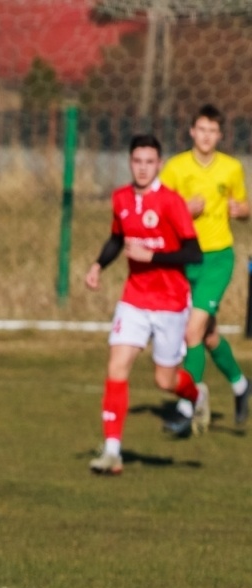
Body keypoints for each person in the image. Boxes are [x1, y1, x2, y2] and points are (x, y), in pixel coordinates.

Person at [86, 134, 204, 475]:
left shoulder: (171, 202)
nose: (142, 168)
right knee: (116, 366)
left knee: (165, 381)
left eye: (149, 162)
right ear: (130, 162)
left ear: (159, 164)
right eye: (137, 161)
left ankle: (196, 395)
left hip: (170, 301)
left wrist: (152, 256)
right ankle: (112, 452)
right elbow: (117, 238)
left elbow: (193, 253)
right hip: (134, 299)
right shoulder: (121, 198)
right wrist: (98, 265)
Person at [160, 103, 251, 430]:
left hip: (217, 259)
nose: (207, 136)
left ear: (220, 135)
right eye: (202, 129)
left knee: (192, 331)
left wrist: (242, 211)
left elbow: (244, 206)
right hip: (185, 259)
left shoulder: (231, 168)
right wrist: (183, 210)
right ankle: (241, 385)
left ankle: (188, 405)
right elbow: (160, 212)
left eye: (213, 131)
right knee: (208, 335)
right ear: (191, 131)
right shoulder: (175, 168)